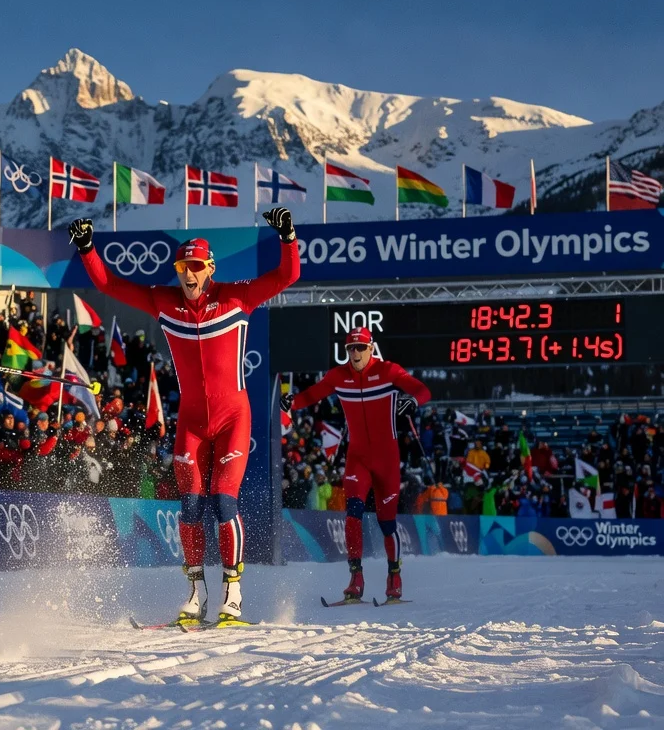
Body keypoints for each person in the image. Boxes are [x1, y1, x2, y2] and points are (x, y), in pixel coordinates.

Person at [68, 208, 299, 627]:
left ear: (210, 269)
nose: (188, 275)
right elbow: (109, 284)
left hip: (233, 418)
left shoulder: (236, 297)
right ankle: (196, 592)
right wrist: (87, 249)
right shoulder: (164, 301)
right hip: (192, 422)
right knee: (190, 505)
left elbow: (287, 276)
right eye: (182, 268)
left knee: (224, 501)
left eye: (195, 267)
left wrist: (287, 238)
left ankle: (233, 592)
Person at [285, 327, 431, 603]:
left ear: (371, 348)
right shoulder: (338, 376)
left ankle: (394, 575)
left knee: (387, 523)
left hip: (387, 459)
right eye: (351, 348)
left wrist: (413, 400)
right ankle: (356, 578)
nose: (355, 353)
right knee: (352, 514)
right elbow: (312, 395)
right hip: (358, 458)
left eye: (361, 348)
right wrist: (291, 403)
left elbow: (422, 390)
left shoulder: (388, 371)